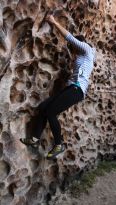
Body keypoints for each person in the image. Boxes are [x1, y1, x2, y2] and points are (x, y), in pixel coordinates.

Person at [20, 15, 96, 159]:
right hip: (70, 89)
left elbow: (70, 38)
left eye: (73, 49)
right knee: (43, 108)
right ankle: (35, 139)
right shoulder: (81, 57)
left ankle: (59, 145)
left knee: (51, 112)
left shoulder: (87, 50)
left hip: (77, 89)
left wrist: (54, 22)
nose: (72, 53)